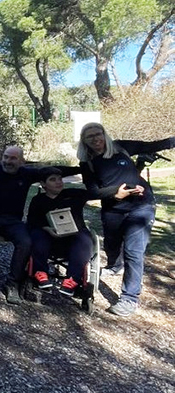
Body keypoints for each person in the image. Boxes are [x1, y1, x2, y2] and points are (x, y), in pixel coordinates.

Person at [0, 147, 79, 304]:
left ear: (22, 161)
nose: (8, 161)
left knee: (26, 241)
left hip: (13, 221)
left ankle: (12, 283)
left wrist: (81, 169)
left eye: (13, 158)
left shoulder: (26, 174)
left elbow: (53, 170)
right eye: (6, 157)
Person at [77, 123, 175, 317]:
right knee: (111, 245)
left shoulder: (122, 147)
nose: (96, 139)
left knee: (133, 252)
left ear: (105, 134)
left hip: (142, 206)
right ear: (85, 141)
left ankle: (129, 298)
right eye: (90, 137)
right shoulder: (87, 162)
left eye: (98, 134)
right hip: (113, 209)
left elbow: (154, 145)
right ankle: (114, 266)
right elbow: (93, 191)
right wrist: (116, 194)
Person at [26, 167, 94, 298]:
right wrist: (47, 229)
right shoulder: (38, 200)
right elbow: (32, 221)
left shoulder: (73, 195)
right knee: (37, 234)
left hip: (73, 240)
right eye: (53, 180)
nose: (58, 182)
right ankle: (40, 272)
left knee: (85, 238)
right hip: (49, 240)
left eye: (60, 179)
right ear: (43, 184)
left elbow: (96, 192)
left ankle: (73, 279)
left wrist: (116, 192)